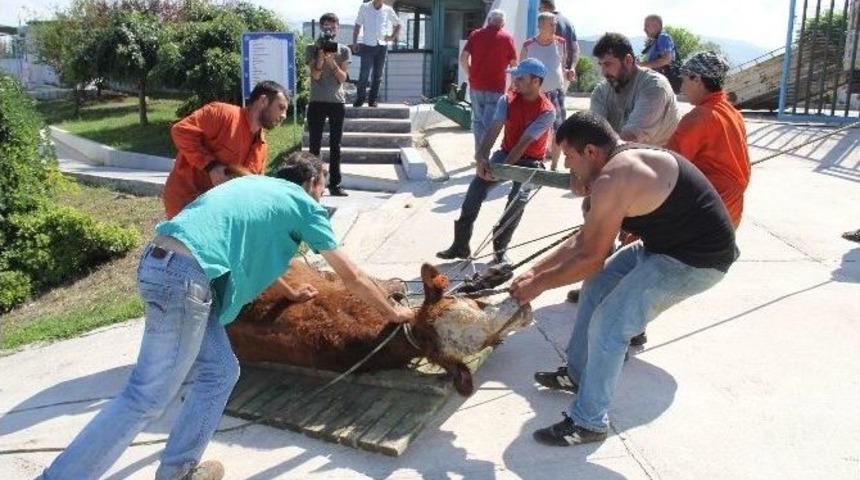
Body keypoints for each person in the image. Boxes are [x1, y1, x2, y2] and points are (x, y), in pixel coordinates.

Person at [41, 152, 414, 480]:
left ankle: (179, 470)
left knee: (221, 372)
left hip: (160, 263)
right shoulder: (302, 203)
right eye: (322, 188)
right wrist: (393, 311)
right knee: (146, 397)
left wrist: (291, 292)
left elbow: (254, 251)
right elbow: (352, 276)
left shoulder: (254, 188)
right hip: (186, 278)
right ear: (314, 182)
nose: (321, 196)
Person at [511, 111, 737, 446]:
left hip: (696, 260)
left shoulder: (614, 178)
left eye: (569, 158)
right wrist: (534, 271)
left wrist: (539, 285)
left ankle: (588, 421)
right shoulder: (618, 162)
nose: (568, 168)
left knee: (610, 324)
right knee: (597, 286)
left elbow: (590, 258)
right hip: (663, 246)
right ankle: (577, 374)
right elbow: (582, 241)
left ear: (590, 152)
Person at [565, 32, 680, 306]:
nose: (604, 72)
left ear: (628, 60)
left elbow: (629, 138)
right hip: (620, 167)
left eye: (609, 65)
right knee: (594, 216)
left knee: (636, 241)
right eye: (601, 66)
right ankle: (596, 282)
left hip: (657, 177)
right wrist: (577, 173)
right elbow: (586, 136)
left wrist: (593, 174)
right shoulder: (603, 91)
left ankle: (631, 319)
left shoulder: (653, 87)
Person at [437, 58, 556, 265]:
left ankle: (500, 251)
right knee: (476, 189)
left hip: (531, 162)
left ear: (536, 82)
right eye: (514, 76)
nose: (514, 81)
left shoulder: (547, 111)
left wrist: (501, 171)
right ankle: (460, 245)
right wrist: (481, 157)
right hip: (506, 153)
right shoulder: (506, 100)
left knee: (516, 202)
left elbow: (524, 143)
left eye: (520, 78)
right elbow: (493, 129)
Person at [163, 81, 289, 219]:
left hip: (218, 213)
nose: (284, 115)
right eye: (281, 107)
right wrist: (211, 166)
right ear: (263, 101)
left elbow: (253, 187)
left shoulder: (262, 146)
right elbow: (180, 131)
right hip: (186, 203)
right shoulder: (222, 114)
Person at [666, 51, 751, 229]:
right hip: (731, 211)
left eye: (684, 80)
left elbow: (667, 169)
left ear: (696, 79)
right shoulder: (732, 113)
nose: (682, 88)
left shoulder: (698, 118)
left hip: (706, 210)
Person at [307, 12, 351, 197]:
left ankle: (335, 185)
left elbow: (342, 78)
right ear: (321, 28)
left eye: (333, 27)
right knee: (314, 145)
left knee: (336, 146)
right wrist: (320, 56)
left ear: (337, 28)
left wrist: (332, 62)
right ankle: (314, 184)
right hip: (316, 101)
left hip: (336, 102)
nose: (329, 30)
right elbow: (315, 75)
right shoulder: (312, 47)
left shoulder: (344, 50)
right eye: (326, 27)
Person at [460, 9, 518, 151]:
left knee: (478, 121)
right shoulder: (507, 38)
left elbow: (463, 59)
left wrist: (470, 75)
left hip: (476, 85)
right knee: (489, 123)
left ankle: (479, 154)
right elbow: (514, 64)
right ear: (503, 23)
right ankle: (483, 155)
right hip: (496, 86)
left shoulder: (475, 35)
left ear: (489, 20)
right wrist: (514, 84)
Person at [521, 12, 567, 170]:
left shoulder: (560, 42)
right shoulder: (528, 45)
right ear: (540, 26)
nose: (555, 27)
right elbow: (521, 71)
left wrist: (569, 72)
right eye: (551, 24)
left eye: (555, 24)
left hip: (556, 93)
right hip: (535, 95)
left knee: (559, 129)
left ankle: (554, 165)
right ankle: (532, 163)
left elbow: (561, 64)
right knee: (533, 130)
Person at [352, 0, 401, 107]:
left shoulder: (388, 9)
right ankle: (360, 99)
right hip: (367, 45)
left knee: (378, 75)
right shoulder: (364, 7)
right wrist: (354, 42)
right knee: (364, 74)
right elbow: (357, 25)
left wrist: (392, 37)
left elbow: (398, 24)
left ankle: (372, 100)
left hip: (382, 46)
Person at [538, 0, 580, 84]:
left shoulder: (549, 23)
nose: (539, 11)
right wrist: (572, 67)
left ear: (546, 7)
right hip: (566, 74)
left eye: (540, 8)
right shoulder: (568, 22)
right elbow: (576, 49)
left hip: (551, 74)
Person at [640, 14, 681, 93]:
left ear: (656, 25)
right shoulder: (656, 40)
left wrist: (642, 65)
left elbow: (666, 60)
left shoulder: (663, 37)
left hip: (662, 83)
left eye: (647, 26)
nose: (644, 29)